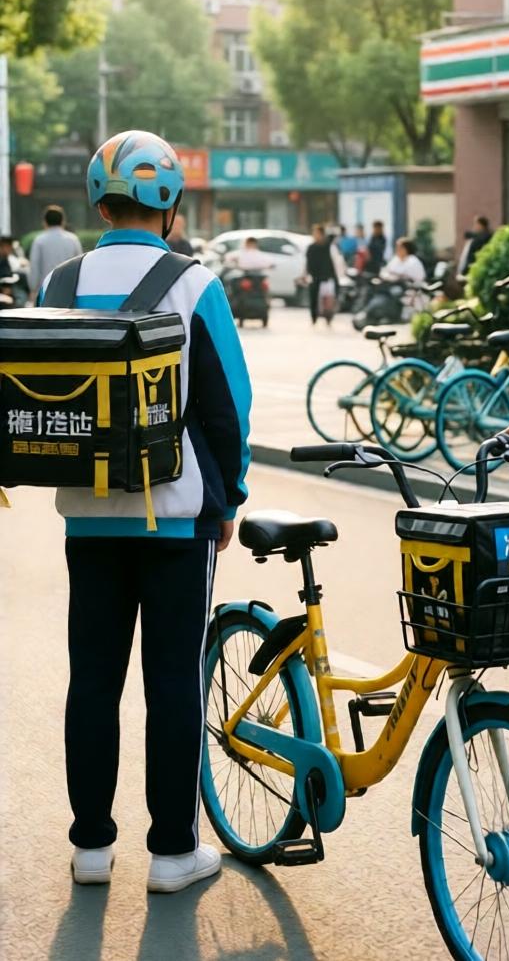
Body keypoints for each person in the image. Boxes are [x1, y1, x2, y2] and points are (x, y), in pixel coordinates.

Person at [37, 130, 251, 894]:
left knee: (91, 678)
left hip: (87, 516)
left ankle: (91, 847)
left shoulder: (60, 283)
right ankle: (171, 853)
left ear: (98, 200)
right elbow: (230, 407)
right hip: (177, 518)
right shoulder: (194, 284)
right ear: (168, 205)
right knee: (172, 682)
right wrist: (232, 497)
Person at [29, 205, 83, 297]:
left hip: (45, 290)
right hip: (69, 290)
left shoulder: (39, 240)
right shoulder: (73, 239)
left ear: (45, 222)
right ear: (63, 221)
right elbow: (80, 264)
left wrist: (33, 289)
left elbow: (34, 267)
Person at [305, 223, 338, 325]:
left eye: (317, 233)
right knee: (313, 298)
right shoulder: (311, 247)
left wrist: (328, 227)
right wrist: (305, 274)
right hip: (314, 276)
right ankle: (314, 318)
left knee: (328, 299)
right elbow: (307, 262)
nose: (315, 235)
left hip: (326, 276)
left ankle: (328, 317)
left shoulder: (326, 245)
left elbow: (333, 235)